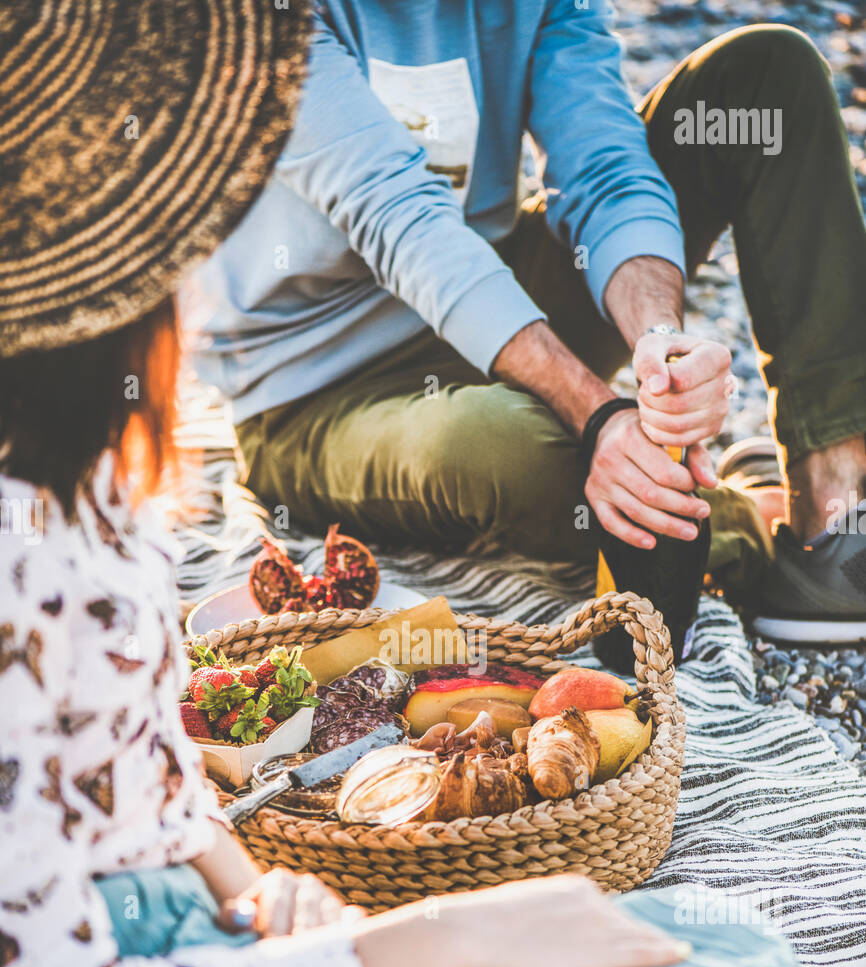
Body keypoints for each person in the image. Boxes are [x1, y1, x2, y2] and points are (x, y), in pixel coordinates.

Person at [0, 0, 863, 967]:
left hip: (197, 947)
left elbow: (133, 780)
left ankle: (797, 509)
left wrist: (255, 891)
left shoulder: (91, 481)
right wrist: (437, 945)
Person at [185, 3, 866, 642]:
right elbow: (397, 218)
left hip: (500, 286)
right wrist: (598, 417)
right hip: (318, 390)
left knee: (767, 77)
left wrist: (661, 344)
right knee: (511, 445)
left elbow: (601, 171)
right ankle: (748, 514)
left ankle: (831, 511)